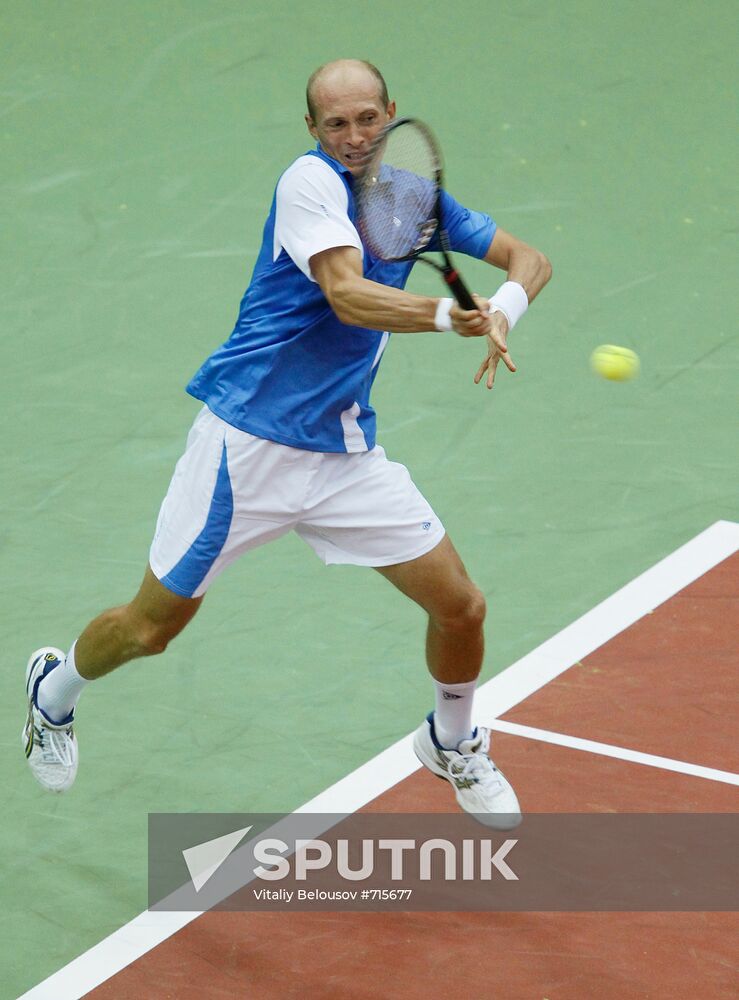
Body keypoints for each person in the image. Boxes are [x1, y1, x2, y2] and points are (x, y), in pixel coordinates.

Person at [23, 59, 551, 829]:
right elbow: (345, 291)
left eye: (368, 118)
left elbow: (527, 260)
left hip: (343, 456)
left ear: (391, 113)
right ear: (312, 130)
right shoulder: (307, 186)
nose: (354, 136)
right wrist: (446, 316)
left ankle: (450, 737)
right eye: (335, 123)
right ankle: (54, 687)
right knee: (150, 629)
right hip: (247, 449)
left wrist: (503, 308)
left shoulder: (409, 197)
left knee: (460, 606)